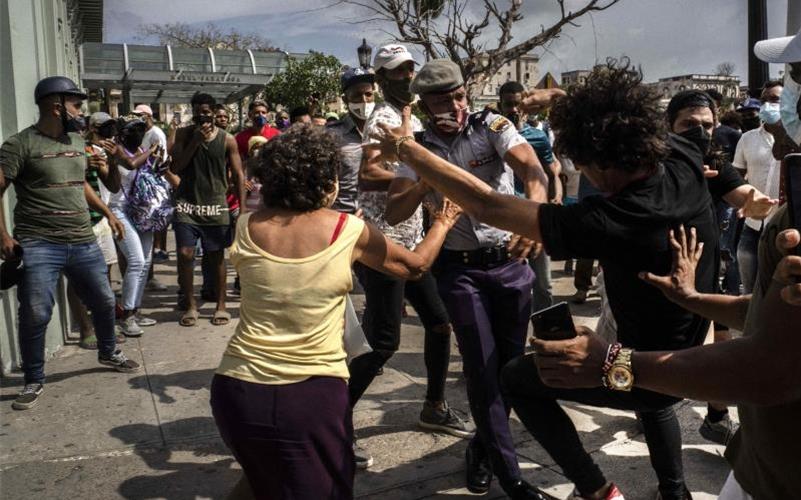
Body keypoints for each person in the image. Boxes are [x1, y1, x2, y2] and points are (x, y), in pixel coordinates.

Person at [368, 58, 720, 500]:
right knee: (646, 404)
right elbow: (616, 118)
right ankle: (675, 490)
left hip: (647, 370)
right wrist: (558, 97)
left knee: (517, 378)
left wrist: (409, 152)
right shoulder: (681, 155)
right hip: (681, 348)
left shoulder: (609, 219)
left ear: (597, 163)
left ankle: (596, 490)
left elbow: (490, 206)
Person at [520, 31, 801, 499]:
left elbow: (766, 369)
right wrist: (694, 298)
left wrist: (611, 362)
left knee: (535, 381)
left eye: (793, 77)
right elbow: (767, 313)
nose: (782, 95)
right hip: (761, 463)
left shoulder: (689, 163)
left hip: (785, 477)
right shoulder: (693, 159)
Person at [210, 124, 462, 499]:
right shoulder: (347, 229)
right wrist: (442, 222)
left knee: (261, 479)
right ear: (328, 182)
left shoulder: (246, 225)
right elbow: (415, 267)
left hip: (236, 389)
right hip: (309, 396)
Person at [383, 59, 549, 499]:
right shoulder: (415, 145)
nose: (455, 106)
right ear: (424, 105)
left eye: (459, 96)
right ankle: (510, 477)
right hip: (460, 271)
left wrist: (534, 220)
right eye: (443, 100)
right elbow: (394, 211)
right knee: (481, 367)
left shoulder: (491, 125)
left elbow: (533, 170)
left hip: (510, 263)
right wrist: (425, 175)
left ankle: (483, 450)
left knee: (511, 370)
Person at [351, 46, 471, 470]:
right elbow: (368, 174)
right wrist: (424, 173)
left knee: (439, 324)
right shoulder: (383, 117)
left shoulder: (414, 117)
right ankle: (333, 422)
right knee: (383, 341)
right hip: (383, 241)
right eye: (396, 71)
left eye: (409, 68)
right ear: (381, 79)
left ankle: (434, 406)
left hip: (413, 240)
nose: (406, 75)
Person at [0, 76, 140, 410]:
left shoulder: (78, 142)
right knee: (36, 311)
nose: (81, 111)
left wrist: (109, 211)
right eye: (76, 104)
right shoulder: (19, 145)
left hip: (82, 239)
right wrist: (4, 236)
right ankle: (34, 379)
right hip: (38, 243)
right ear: (55, 105)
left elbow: (82, 185)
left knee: (105, 301)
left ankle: (108, 351)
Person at [666, 89, 779, 444]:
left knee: (719, 335)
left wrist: (757, 202)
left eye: (706, 125)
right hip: (664, 263)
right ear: (668, 125)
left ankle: (715, 415)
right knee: (665, 342)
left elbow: (740, 192)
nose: (699, 132)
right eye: (688, 125)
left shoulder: (714, 160)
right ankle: (654, 401)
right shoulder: (652, 161)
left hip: (712, 260)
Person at [170, 93, 246, 327]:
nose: (201, 115)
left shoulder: (227, 139)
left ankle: (220, 306)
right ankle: (191, 305)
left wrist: (242, 210)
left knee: (216, 257)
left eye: (205, 111)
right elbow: (176, 167)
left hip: (215, 204)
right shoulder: (183, 134)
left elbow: (239, 174)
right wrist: (195, 142)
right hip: (187, 204)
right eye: (197, 110)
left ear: (214, 111)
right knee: (185, 253)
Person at [498, 80, 560, 311]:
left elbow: (551, 171)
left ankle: (548, 338)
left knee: (543, 285)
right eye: (508, 105)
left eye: (517, 104)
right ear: (500, 105)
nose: (513, 110)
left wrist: (555, 201)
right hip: (504, 223)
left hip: (535, 220)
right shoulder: (490, 136)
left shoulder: (538, 137)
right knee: (510, 285)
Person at [67, 111, 124, 349]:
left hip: (98, 220)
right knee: (77, 278)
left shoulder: (94, 151)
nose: (107, 134)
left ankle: (104, 324)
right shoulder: (69, 150)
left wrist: (111, 160)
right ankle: (86, 329)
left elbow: (112, 185)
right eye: (103, 128)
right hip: (75, 223)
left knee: (104, 276)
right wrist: (80, 165)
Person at [107, 119, 163, 336]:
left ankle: (135, 310)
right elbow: (131, 164)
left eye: (142, 131)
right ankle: (127, 315)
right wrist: (151, 150)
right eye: (134, 131)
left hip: (140, 209)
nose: (139, 134)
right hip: (119, 210)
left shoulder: (140, 149)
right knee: (136, 260)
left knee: (146, 262)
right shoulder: (118, 149)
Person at [735, 80, 784, 293]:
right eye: (764, 100)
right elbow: (736, 176)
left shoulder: (797, 139)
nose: (767, 105)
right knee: (750, 291)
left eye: (774, 100)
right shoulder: (747, 139)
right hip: (753, 226)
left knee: (780, 293)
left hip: (786, 227)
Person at [326, 66, 376, 214]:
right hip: (342, 219)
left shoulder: (386, 130)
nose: (364, 100)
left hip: (379, 219)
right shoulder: (331, 136)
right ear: (345, 99)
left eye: (368, 94)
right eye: (356, 95)